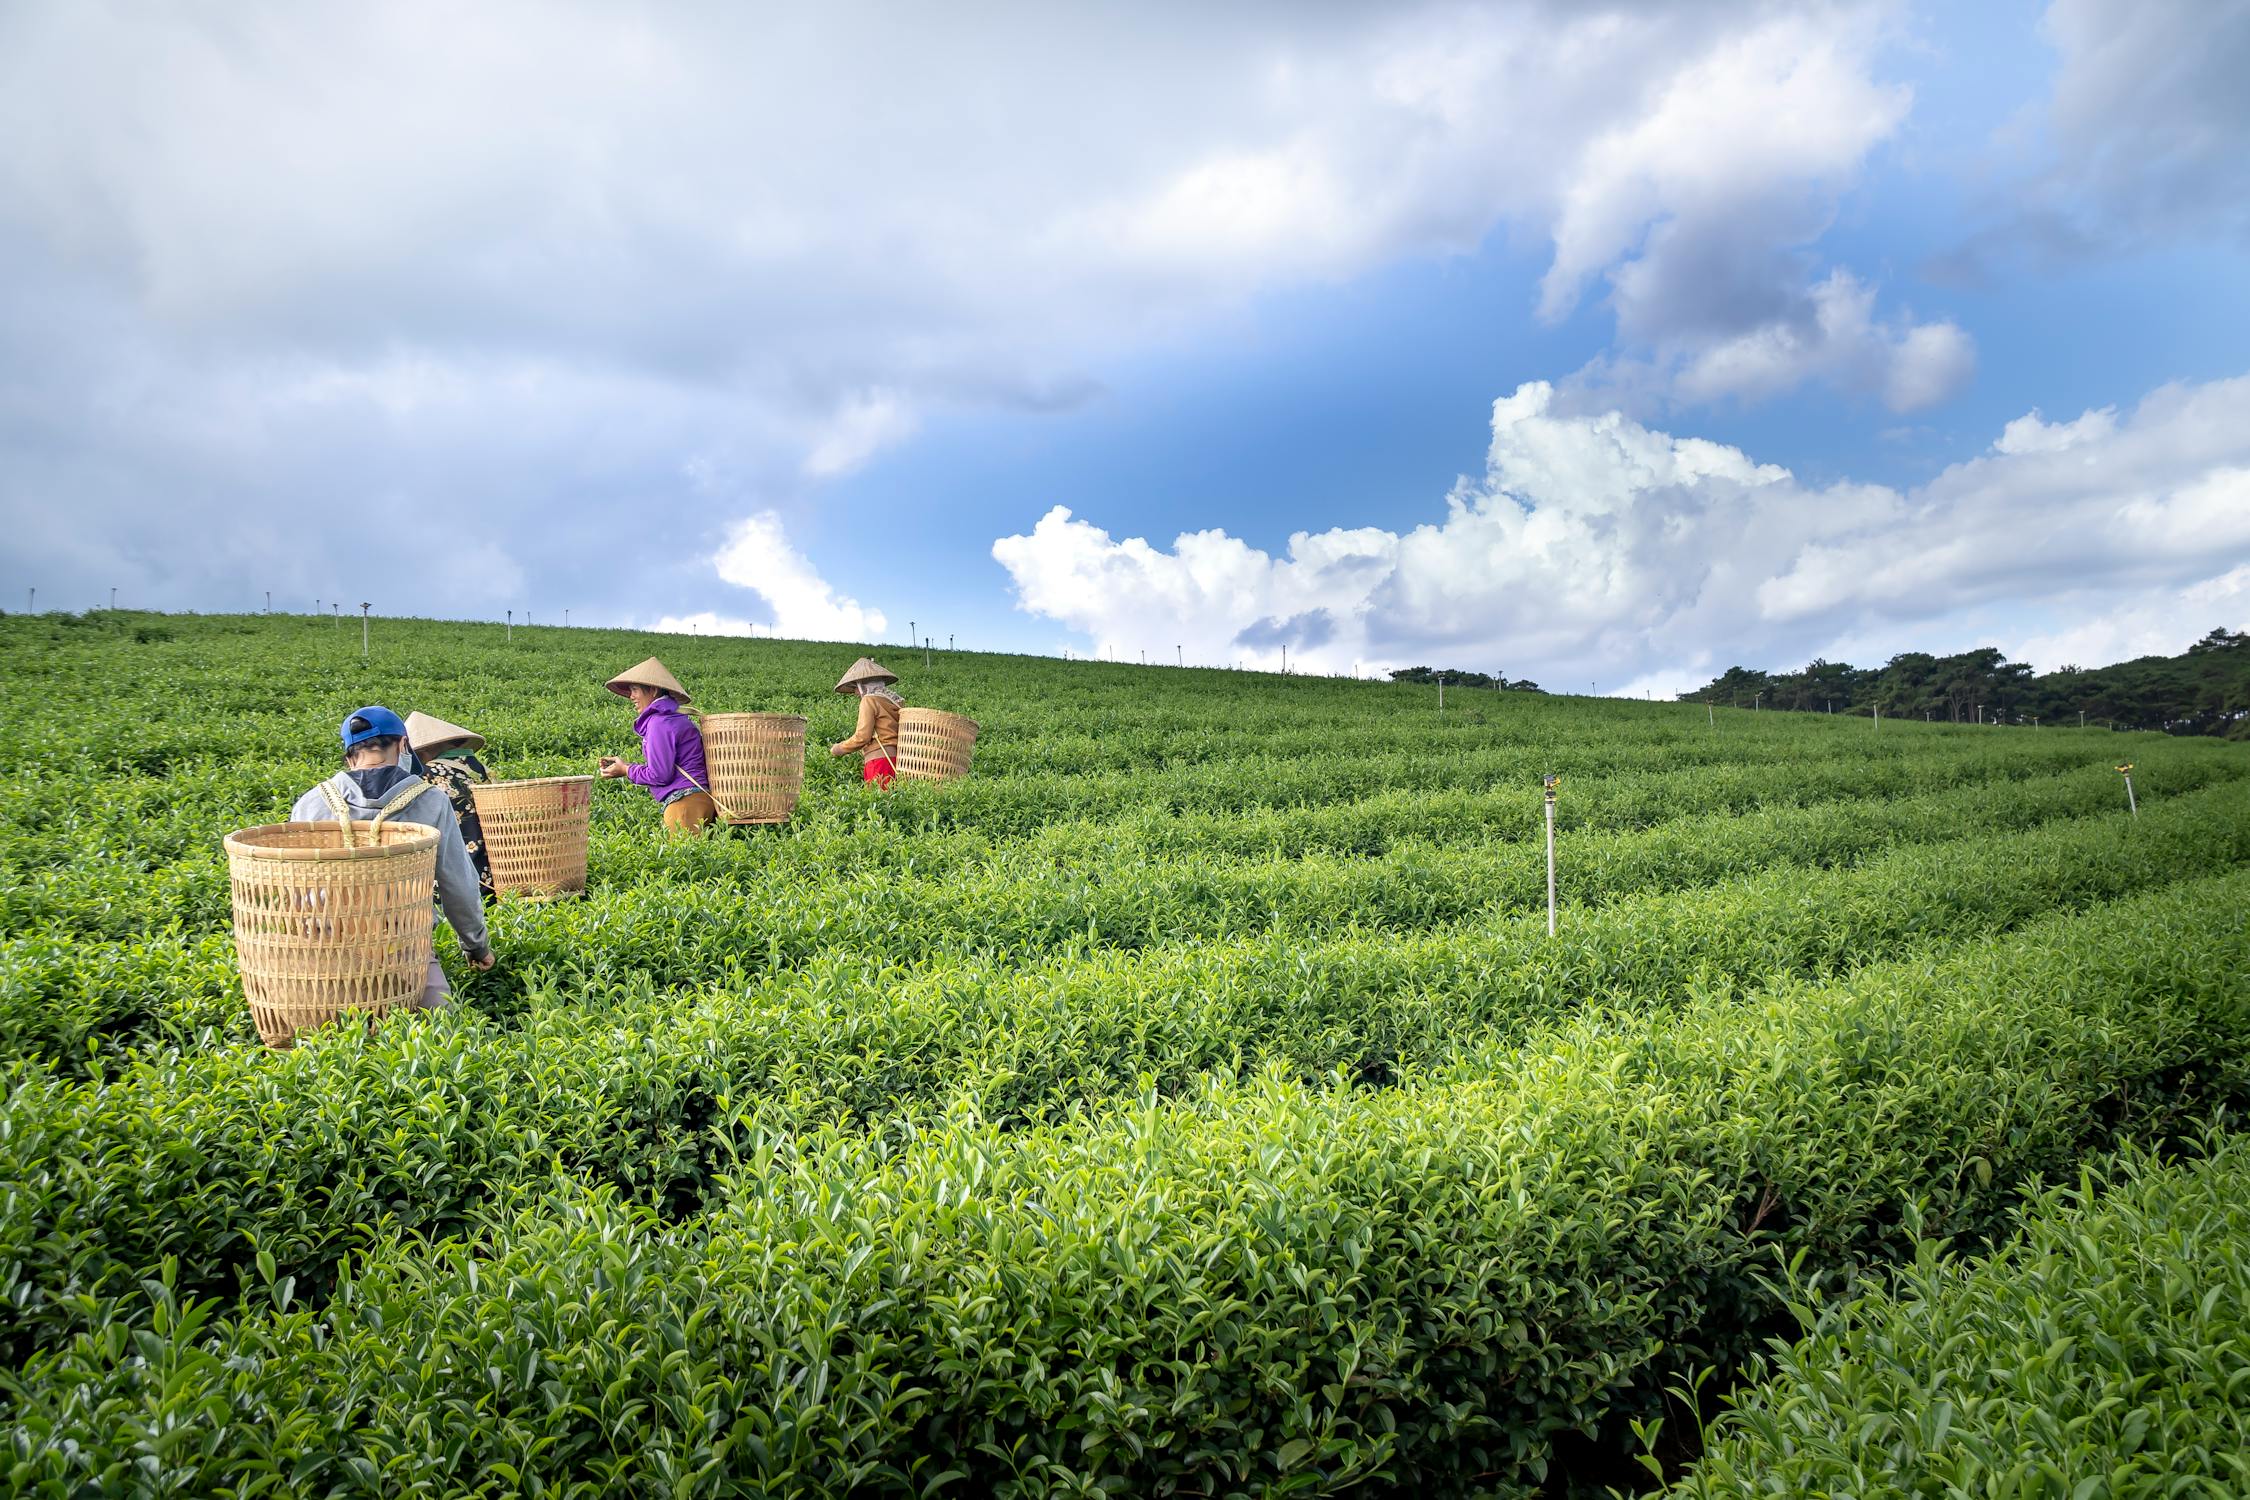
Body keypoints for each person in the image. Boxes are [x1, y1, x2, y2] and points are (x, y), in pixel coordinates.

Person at [289, 705, 495, 1010]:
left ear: (349, 756)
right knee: (444, 1036)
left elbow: (297, 890)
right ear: (402, 745)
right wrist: (476, 945)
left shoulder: (310, 803)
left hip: (327, 954)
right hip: (405, 950)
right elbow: (458, 885)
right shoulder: (429, 800)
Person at [597, 656, 718, 832]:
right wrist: (625, 766)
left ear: (653, 690)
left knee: (680, 858)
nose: (631, 696)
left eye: (635, 690)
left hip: (685, 805)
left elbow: (660, 774)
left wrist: (626, 770)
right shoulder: (674, 717)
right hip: (699, 801)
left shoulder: (659, 722)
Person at [405, 711, 495, 903]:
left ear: (422, 752)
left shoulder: (429, 774)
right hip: (494, 874)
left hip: (458, 878)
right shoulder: (480, 770)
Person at [829, 656, 904, 786]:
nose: (856, 693)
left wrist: (839, 748)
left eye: (855, 688)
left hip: (879, 760)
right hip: (896, 758)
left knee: (878, 801)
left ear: (863, 685)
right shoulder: (893, 701)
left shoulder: (869, 700)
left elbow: (862, 737)